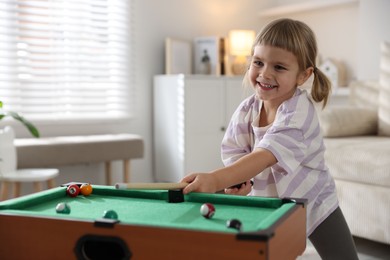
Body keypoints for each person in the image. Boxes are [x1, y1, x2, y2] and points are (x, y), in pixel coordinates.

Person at [181, 18, 358, 260]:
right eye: (258, 62)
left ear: (303, 76)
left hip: (314, 201)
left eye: (279, 67)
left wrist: (214, 179)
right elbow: (236, 153)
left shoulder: (298, 113)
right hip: (270, 202)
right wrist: (241, 181)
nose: (265, 74)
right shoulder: (247, 109)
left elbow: (265, 156)